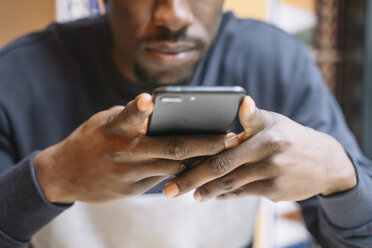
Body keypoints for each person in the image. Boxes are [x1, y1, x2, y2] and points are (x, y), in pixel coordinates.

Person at [0, 0, 371, 247]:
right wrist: (54, 176)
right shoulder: (16, 77)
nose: (173, 15)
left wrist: (338, 175)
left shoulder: (275, 63)